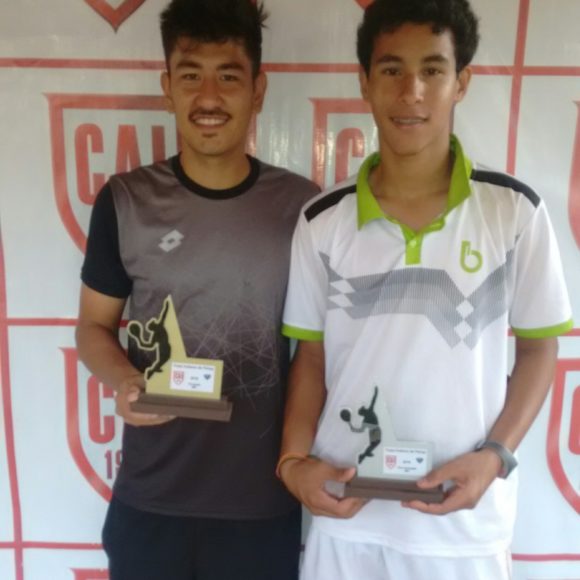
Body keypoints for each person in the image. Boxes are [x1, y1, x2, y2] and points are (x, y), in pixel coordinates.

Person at [277, 1, 573, 579]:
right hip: (347, 516)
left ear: (461, 82)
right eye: (391, 69)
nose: (411, 91)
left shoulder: (513, 211)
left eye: (432, 70)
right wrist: (292, 462)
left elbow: (540, 350)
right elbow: (310, 357)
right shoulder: (322, 220)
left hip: (463, 529)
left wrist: (496, 457)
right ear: (364, 82)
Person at [75, 0, 318, 578]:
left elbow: (317, 352)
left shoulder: (303, 208)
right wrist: (126, 379)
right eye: (190, 76)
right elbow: (92, 328)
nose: (208, 97)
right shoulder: (125, 201)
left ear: (258, 90)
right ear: (167, 88)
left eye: (228, 77)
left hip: (260, 506)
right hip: (152, 502)